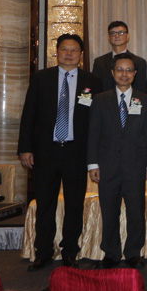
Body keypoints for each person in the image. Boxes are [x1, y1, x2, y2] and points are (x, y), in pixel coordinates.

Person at [18, 33, 101, 270]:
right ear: (57, 52)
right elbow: (29, 114)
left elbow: (97, 120)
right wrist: (25, 148)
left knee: (74, 204)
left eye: (74, 50)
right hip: (46, 152)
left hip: (76, 152)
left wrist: (95, 155)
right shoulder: (41, 78)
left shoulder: (92, 81)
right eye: (64, 49)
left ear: (81, 55)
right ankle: (43, 251)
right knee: (45, 204)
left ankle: (70, 251)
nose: (69, 54)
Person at [87, 53, 147, 269]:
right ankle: (111, 253)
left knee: (136, 212)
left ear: (135, 74)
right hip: (107, 167)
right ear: (112, 72)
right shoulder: (100, 99)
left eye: (129, 70)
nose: (124, 74)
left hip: (136, 165)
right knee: (109, 211)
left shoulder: (145, 99)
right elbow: (93, 134)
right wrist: (93, 164)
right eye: (120, 70)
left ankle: (134, 252)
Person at [91, 21, 147, 93]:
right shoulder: (99, 62)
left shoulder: (140, 62)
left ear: (127, 37)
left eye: (121, 33)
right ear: (109, 37)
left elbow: (141, 90)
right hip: (105, 99)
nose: (117, 36)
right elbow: (96, 88)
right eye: (113, 33)